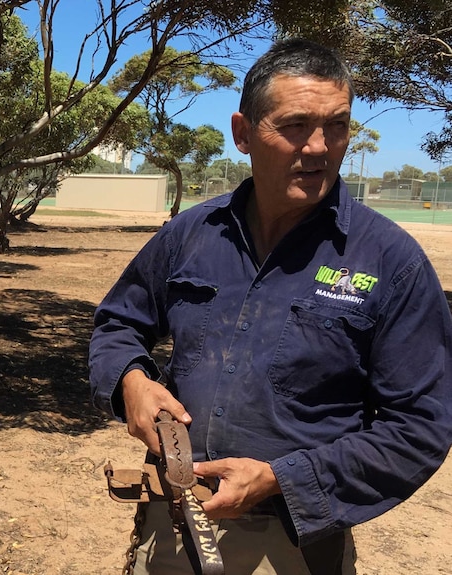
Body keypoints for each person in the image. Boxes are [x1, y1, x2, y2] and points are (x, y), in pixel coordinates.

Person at [89, 38, 452, 575]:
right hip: (170, 530)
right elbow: (117, 323)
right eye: (295, 125)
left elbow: (420, 427)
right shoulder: (192, 233)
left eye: (337, 126)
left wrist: (283, 480)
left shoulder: (391, 261)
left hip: (293, 548)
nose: (319, 147)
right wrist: (132, 383)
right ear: (243, 134)